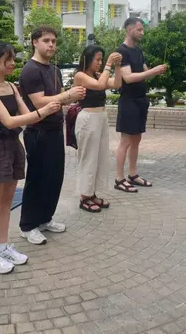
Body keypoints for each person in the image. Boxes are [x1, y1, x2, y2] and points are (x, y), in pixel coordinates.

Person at [0, 41, 61, 273]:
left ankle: (3, 247)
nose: (13, 63)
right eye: (8, 58)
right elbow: (9, 121)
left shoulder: (12, 87)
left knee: (6, 203)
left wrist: (53, 105)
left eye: (13, 58)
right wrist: (44, 110)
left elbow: (30, 116)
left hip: (13, 145)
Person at [18, 26, 86, 244]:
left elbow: (59, 98)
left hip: (55, 129)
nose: (51, 45)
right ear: (34, 42)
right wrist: (67, 95)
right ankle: (28, 225)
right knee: (37, 178)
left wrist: (72, 96)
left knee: (54, 178)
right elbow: (39, 102)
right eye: (46, 40)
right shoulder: (30, 70)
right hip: (38, 131)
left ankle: (45, 218)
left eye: (54, 41)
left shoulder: (54, 70)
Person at [115, 17, 167, 192]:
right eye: (139, 29)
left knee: (136, 139)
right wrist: (152, 71)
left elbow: (144, 72)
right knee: (125, 141)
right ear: (129, 29)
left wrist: (157, 71)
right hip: (128, 101)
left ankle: (133, 174)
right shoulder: (121, 51)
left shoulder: (138, 51)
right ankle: (119, 178)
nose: (142, 33)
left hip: (140, 100)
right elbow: (128, 77)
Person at [72, 46, 122, 212]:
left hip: (101, 118)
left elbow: (116, 83)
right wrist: (109, 64)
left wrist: (117, 66)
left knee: (99, 157)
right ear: (88, 59)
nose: (100, 63)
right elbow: (100, 86)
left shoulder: (98, 75)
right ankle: (84, 196)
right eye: (98, 59)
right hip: (88, 119)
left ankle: (91, 193)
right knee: (88, 158)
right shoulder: (80, 75)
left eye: (102, 60)